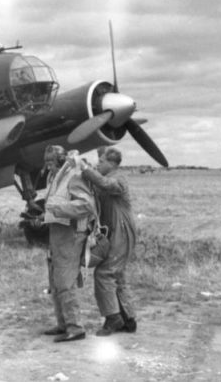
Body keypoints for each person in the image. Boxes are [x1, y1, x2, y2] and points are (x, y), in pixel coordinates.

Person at [81, 147, 138, 336]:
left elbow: (106, 184)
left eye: (101, 161)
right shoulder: (106, 177)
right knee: (117, 275)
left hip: (122, 232)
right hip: (114, 232)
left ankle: (113, 318)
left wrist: (85, 169)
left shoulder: (118, 178)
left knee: (105, 273)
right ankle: (128, 318)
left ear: (111, 163)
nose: (98, 163)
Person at [42, 146, 97, 342]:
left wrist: (57, 208)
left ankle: (76, 327)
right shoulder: (58, 177)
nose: (48, 167)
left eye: (51, 163)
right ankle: (63, 324)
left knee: (65, 282)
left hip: (71, 235)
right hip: (57, 233)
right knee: (56, 283)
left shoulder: (73, 177)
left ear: (59, 160)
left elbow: (86, 206)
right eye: (46, 163)